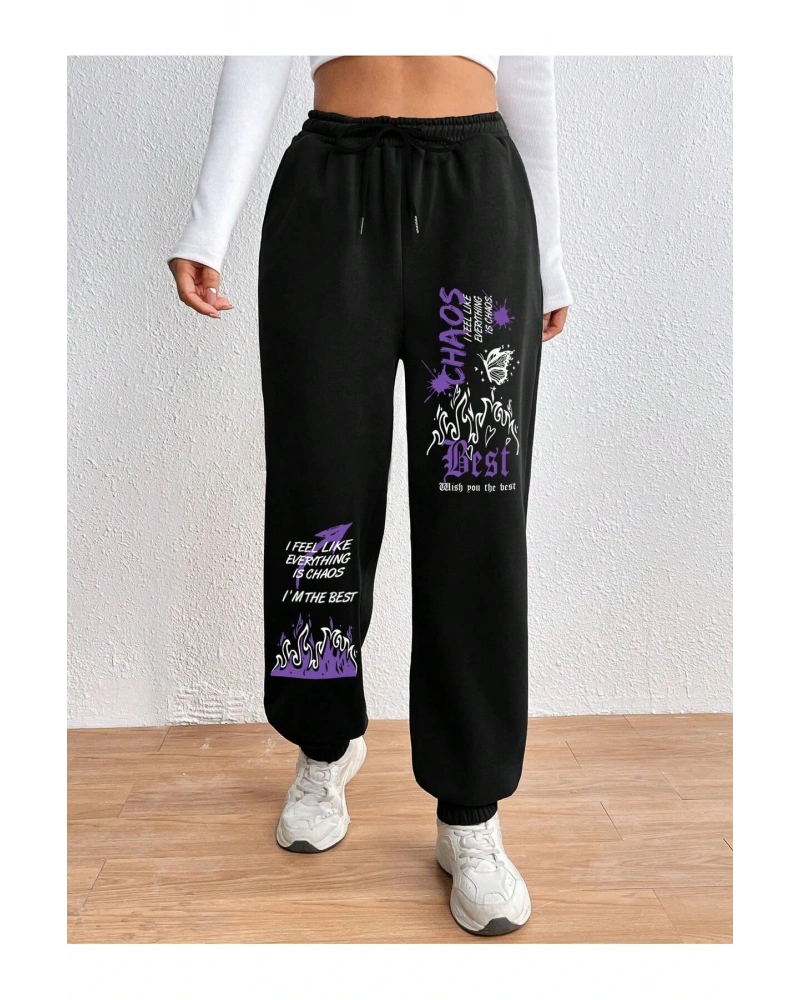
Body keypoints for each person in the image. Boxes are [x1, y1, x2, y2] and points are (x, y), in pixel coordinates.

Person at [169, 55, 571, 937]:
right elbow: (258, 48)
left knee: (476, 511)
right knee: (319, 493)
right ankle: (323, 744)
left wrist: (549, 257)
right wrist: (208, 223)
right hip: (329, 193)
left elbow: (529, 73)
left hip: (477, 203)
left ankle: (470, 812)